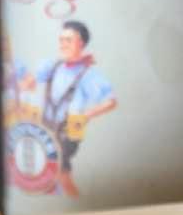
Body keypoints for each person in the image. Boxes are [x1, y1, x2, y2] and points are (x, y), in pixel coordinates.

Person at [23, 20, 116, 197]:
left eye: (68, 40)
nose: (63, 44)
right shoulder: (53, 67)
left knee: (61, 175)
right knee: (45, 176)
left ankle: (77, 202)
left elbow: (110, 101)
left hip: (65, 135)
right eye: (61, 40)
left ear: (81, 43)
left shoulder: (88, 74)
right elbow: (30, 82)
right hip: (45, 129)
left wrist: (85, 115)